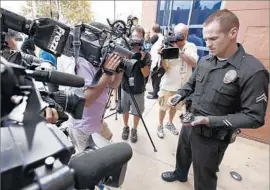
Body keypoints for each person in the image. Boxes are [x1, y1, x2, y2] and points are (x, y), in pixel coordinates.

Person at [161, 9, 269, 190]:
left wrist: (208, 120)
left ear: (233, 33)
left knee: (204, 174)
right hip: (190, 122)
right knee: (183, 153)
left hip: (212, 137)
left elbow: (254, 117)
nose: (208, 44)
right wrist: (179, 95)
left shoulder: (253, 71)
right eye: (205, 39)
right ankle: (180, 173)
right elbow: (191, 85)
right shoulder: (205, 62)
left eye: (213, 38)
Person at [157, 23, 198, 138]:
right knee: (163, 107)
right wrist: (162, 56)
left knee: (175, 107)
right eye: (180, 34)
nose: (182, 37)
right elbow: (165, 68)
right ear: (174, 34)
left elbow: (194, 63)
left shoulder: (191, 46)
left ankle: (169, 123)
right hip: (168, 85)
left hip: (182, 88)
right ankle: (160, 125)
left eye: (184, 34)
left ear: (187, 35)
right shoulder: (168, 46)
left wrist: (180, 51)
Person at [121, 25, 151, 143]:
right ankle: (125, 127)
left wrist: (141, 61)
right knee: (124, 109)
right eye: (134, 38)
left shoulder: (146, 54)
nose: (136, 42)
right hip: (125, 87)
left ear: (143, 39)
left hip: (138, 88)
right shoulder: (125, 51)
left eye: (139, 38)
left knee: (137, 112)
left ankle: (134, 129)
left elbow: (146, 74)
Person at [147, 24, 164, 99]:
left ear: (154, 30)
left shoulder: (157, 37)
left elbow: (156, 50)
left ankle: (155, 94)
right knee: (155, 77)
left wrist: (154, 64)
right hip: (157, 59)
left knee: (155, 77)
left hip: (156, 60)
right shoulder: (161, 37)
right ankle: (155, 91)